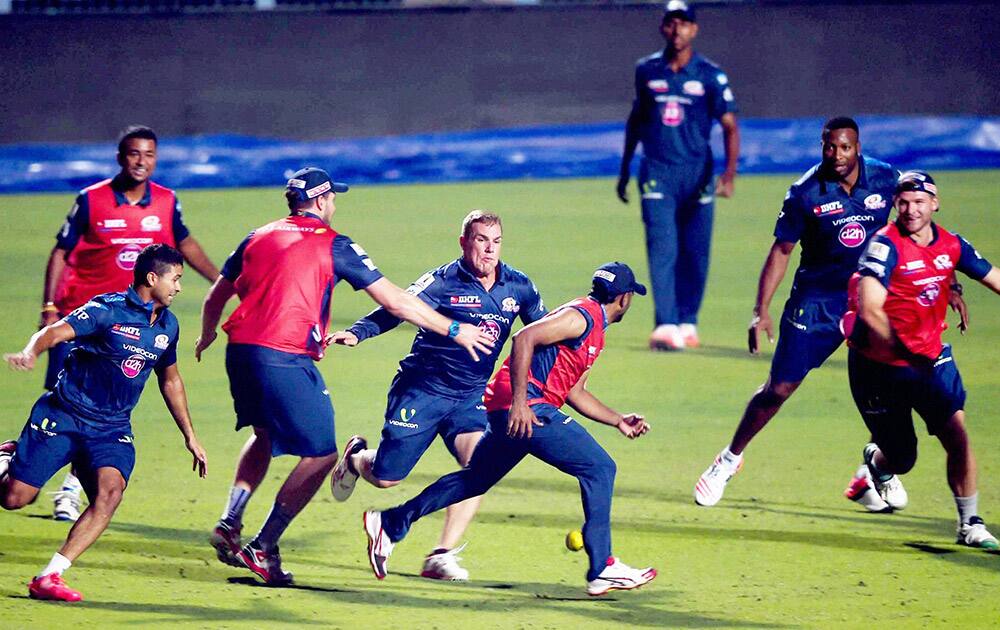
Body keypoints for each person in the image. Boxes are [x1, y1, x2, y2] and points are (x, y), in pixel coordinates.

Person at [198, 167, 495, 586]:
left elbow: (218, 293)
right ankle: (263, 548)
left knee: (265, 434)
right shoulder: (335, 245)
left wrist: (208, 331)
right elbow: (394, 300)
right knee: (320, 455)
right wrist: (453, 328)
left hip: (239, 351)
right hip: (283, 357)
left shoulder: (257, 235)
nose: (334, 204)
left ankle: (231, 519)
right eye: (332, 198)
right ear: (320, 201)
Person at [362, 263, 656, 597]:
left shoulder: (591, 328)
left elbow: (575, 391)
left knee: (476, 479)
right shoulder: (582, 317)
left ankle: (390, 523)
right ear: (625, 298)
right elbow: (523, 338)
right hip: (527, 407)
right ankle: (601, 567)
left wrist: (617, 419)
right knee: (600, 468)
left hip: (514, 407)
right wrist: (520, 403)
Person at [693, 117, 903, 508]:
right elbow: (781, 252)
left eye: (844, 147)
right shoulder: (805, 193)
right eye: (829, 147)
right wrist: (761, 311)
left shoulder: (888, 179)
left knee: (894, 384)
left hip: (872, 297)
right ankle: (729, 459)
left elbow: (914, 222)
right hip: (817, 301)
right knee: (780, 388)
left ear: (857, 147)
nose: (836, 155)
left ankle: (875, 468)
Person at [325, 210, 546, 581]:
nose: (489, 251)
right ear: (464, 242)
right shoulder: (442, 281)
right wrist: (359, 332)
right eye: (481, 241)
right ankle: (356, 459)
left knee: (480, 469)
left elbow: (542, 331)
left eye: (496, 242)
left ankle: (440, 556)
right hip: (422, 390)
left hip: (471, 395)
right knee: (386, 477)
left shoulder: (519, 287)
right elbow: (396, 307)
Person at [0, 244, 208, 602]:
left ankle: (50, 576)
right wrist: (31, 352)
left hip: (111, 428)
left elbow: (170, 379)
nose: (179, 287)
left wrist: (190, 435)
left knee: (110, 493)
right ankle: (7, 459)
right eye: (175, 279)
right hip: (64, 415)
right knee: (15, 498)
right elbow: (54, 332)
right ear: (152, 278)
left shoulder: (168, 326)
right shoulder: (106, 310)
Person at [40, 125, 218, 522]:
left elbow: (185, 243)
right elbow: (61, 252)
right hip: (85, 319)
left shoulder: (168, 202)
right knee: (65, 397)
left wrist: (221, 281)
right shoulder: (91, 200)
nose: (142, 161)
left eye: (149, 154)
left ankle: (69, 489)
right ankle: (29, 456)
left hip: (133, 327)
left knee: (106, 406)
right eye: (134, 154)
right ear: (121, 157)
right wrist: (50, 306)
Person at [844, 170, 1000, 550]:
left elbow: (993, 276)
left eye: (919, 202)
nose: (911, 210)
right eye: (904, 202)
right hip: (878, 368)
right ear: (895, 205)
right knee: (902, 457)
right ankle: (877, 465)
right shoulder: (885, 246)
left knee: (958, 437)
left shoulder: (951, 243)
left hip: (931, 360)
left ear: (935, 203)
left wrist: (953, 289)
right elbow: (870, 308)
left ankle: (970, 523)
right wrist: (902, 349)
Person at [616, 0, 740, 351]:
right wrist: (625, 168)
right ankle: (666, 324)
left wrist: (729, 174)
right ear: (663, 27)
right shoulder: (647, 70)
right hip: (657, 170)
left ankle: (688, 321)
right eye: (671, 23)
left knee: (696, 253)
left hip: (698, 173)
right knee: (662, 249)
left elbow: (730, 126)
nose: (677, 30)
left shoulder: (710, 74)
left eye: (684, 23)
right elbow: (636, 120)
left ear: (694, 29)